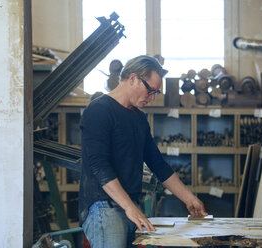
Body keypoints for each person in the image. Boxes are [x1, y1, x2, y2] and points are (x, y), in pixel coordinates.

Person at [79, 55, 207, 248]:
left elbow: (157, 163)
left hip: (130, 205)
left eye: (156, 93)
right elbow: (100, 166)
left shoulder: (138, 118)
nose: (153, 98)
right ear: (133, 79)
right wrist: (130, 208)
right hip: (104, 207)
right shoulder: (98, 110)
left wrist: (189, 198)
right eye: (150, 91)